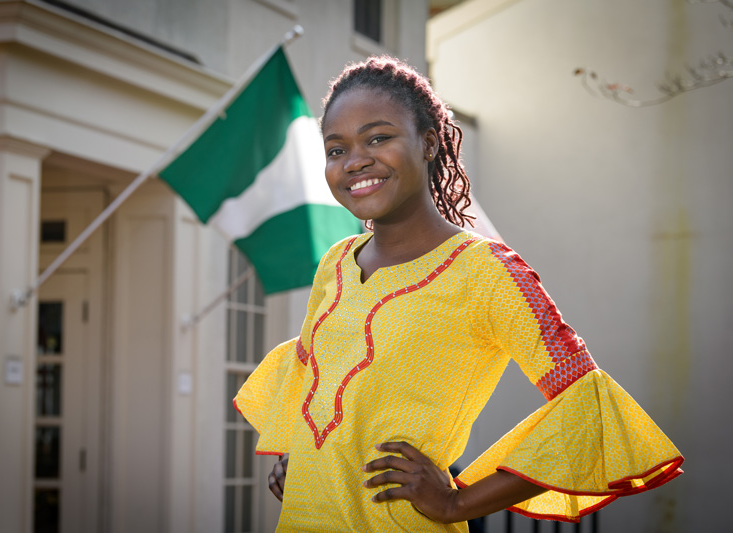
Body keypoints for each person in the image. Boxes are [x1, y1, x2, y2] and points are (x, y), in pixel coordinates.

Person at [233, 56, 683, 531]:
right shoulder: (336, 262)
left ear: (429, 143)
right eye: (335, 149)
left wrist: (457, 504)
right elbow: (314, 377)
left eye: (378, 138)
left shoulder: (488, 272)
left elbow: (586, 403)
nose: (355, 161)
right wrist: (301, 453)